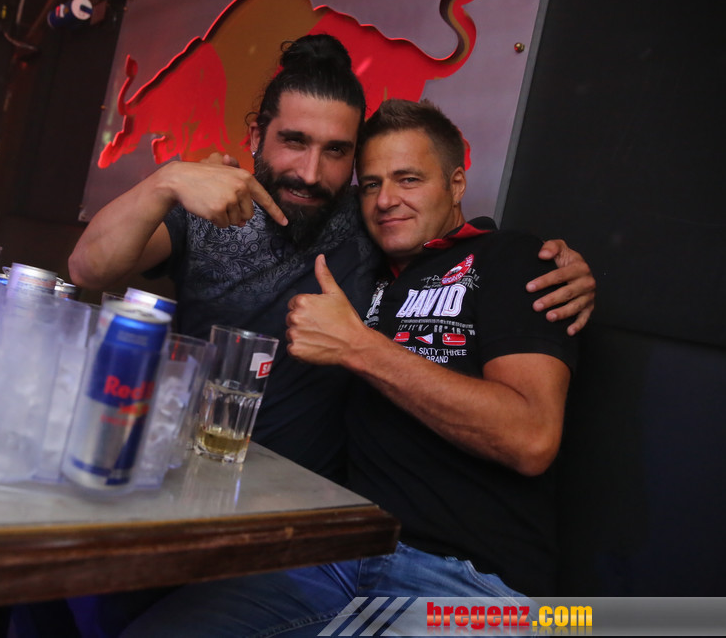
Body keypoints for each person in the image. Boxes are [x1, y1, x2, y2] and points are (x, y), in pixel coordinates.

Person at [119, 98, 578, 636]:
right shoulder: (363, 266)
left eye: (409, 180)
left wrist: (359, 347)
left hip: (466, 582)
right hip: (339, 555)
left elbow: (531, 437)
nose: (386, 201)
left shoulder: (510, 259)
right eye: (371, 184)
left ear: (456, 184)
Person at [69, 34, 594, 485]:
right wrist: (166, 182)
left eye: (336, 151)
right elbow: (89, 268)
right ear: (255, 136)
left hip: (304, 498)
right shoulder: (210, 205)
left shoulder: (371, 215)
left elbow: (449, 238)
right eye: (294, 141)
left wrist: (554, 265)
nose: (311, 172)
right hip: (185, 466)